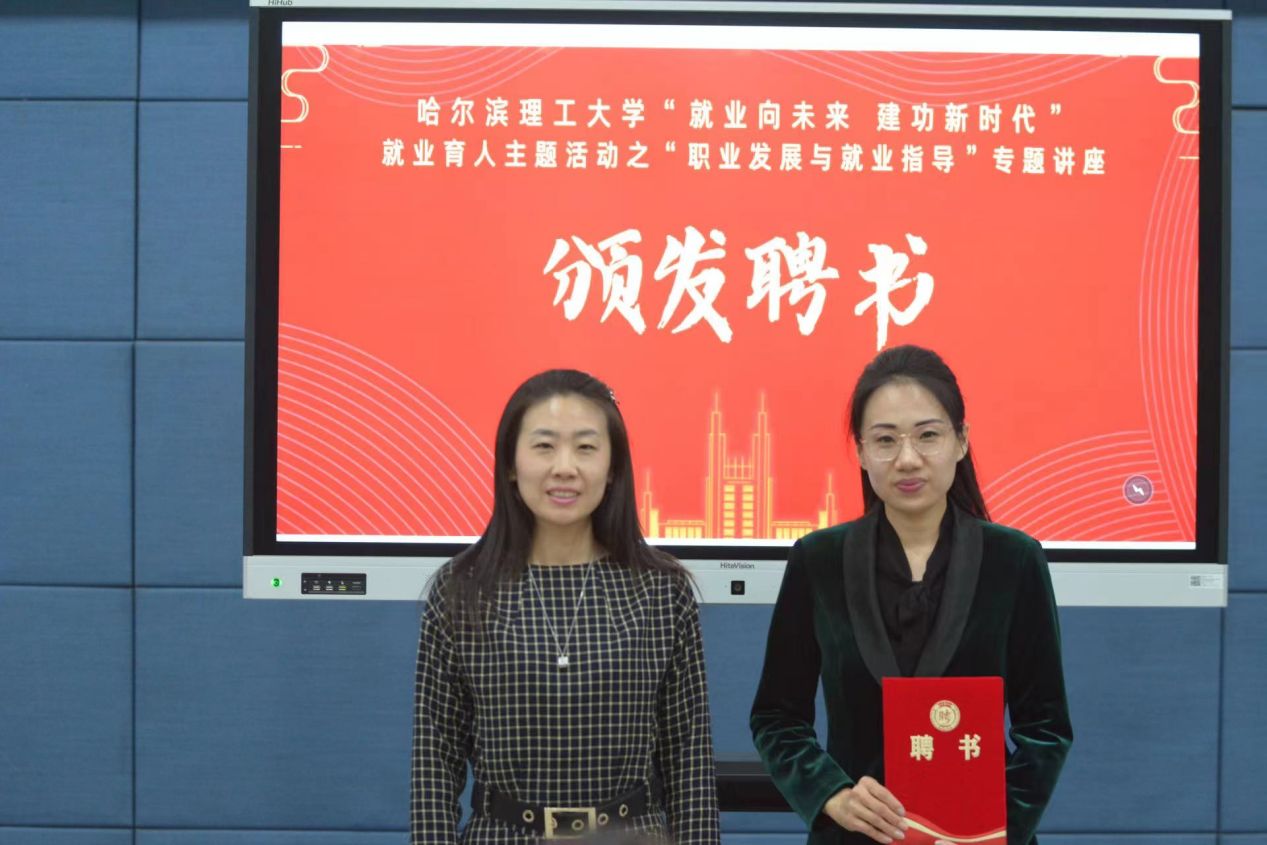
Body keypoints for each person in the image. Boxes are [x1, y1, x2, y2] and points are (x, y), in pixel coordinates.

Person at [750, 345, 1072, 845]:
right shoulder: (818, 561)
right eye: (885, 440)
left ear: (961, 440)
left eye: (928, 436)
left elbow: (1045, 726)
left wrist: (992, 825)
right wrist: (833, 795)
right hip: (857, 837)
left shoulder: (1015, 561)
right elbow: (776, 717)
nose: (907, 459)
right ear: (860, 451)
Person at [412, 369, 720, 845]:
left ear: (613, 467)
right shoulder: (462, 589)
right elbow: (436, 760)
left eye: (585, 447)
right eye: (544, 446)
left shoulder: (661, 589)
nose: (564, 467)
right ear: (510, 464)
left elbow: (689, 757)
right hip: (504, 835)